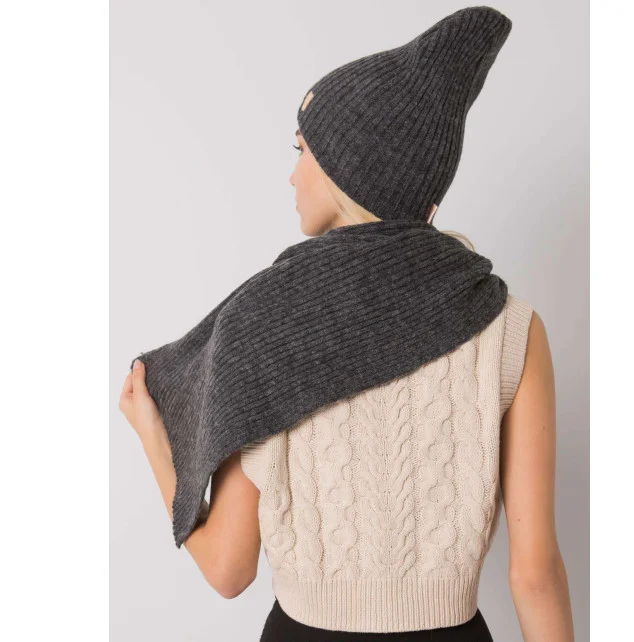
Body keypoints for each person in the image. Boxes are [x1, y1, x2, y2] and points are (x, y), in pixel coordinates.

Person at [119, 6, 575, 641]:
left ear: (347, 169)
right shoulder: (512, 330)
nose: (291, 173)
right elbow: (534, 575)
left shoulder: (264, 323)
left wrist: (153, 435)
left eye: (302, 150)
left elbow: (227, 568)